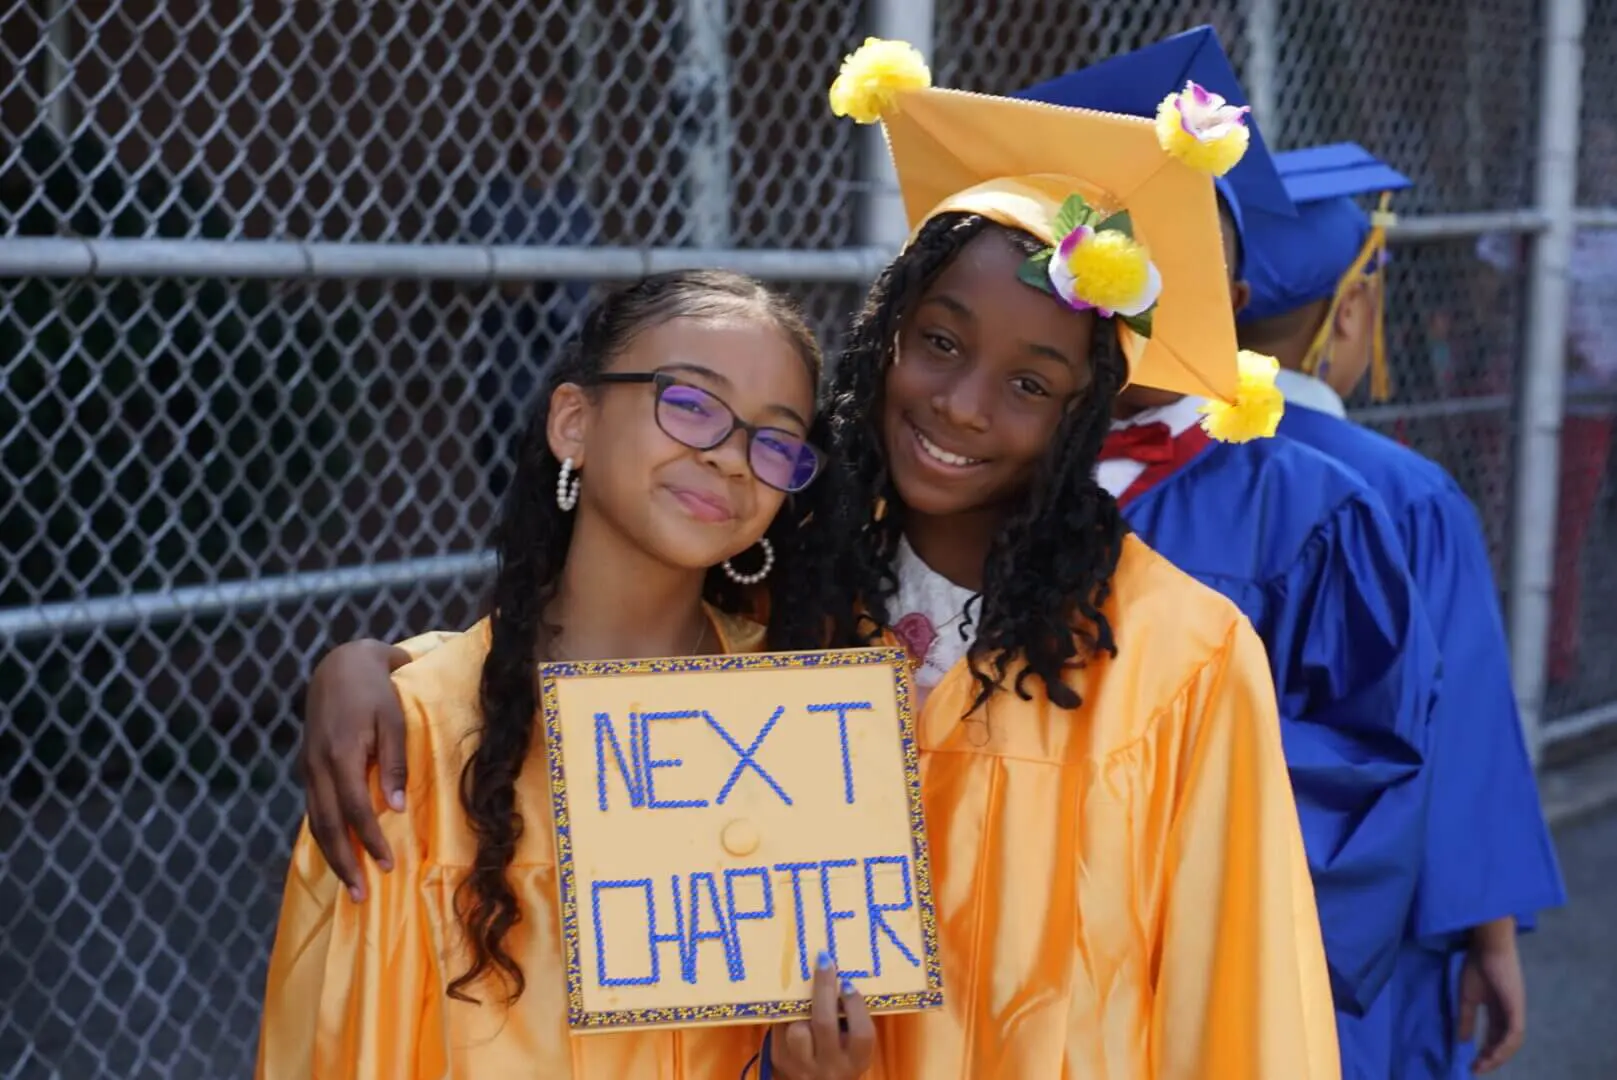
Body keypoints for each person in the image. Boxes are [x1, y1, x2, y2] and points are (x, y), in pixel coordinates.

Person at [292, 39, 1343, 1078]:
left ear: (1084, 416)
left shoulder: (1180, 662)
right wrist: (378, 666)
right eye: (940, 342)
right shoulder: (799, 605)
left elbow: (1240, 1009)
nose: (964, 406)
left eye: (1031, 385)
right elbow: (586, 638)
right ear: (887, 337)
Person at [257, 269, 874, 1079]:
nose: (730, 457)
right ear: (574, 422)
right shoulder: (411, 739)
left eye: (774, 439)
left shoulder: (800, 730)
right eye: (690, 404)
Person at [1017, 34, 1441, 1077]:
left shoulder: (1306, 512)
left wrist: (1126, 794)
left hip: (1178, 989)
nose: (1117, 298)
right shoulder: (959, 486)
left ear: (1232, 306)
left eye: (1166, 267)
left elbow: (1368, 770)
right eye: (1088, 263)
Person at [1237, 143, 1566, 1078]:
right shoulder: (1400, 494)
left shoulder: (1146, 474)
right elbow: (1454, 730)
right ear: (1350, 311)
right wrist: (1488, 935)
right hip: (1362, 949)